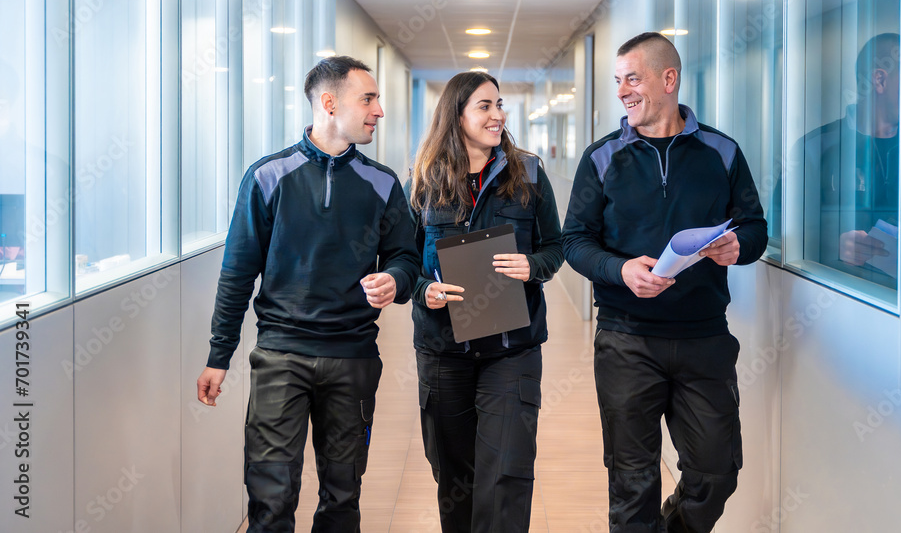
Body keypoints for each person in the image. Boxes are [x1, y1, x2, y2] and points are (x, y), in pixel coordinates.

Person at [195, 55, 420, 533]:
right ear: (329, 102)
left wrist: (395, 280)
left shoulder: (382, 183)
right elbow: (237, 272)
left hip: (353, 358)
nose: (379, 111)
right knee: (271, 497)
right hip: (281, 357)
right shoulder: (268, 176)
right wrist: (220, 355)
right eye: (369, 99)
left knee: (343, 497)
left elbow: (407, 257)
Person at [562, 32, 768, 533]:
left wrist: (740, 246)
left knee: (716, 472)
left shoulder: (721, 152)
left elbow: (755, 228)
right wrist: (621, 269)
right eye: (617, 81)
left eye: (633, 78)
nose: (622, 91)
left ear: (668, 79)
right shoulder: (602, 157)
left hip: (704, 340)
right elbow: (574, 241)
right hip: (626, 340)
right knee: (632, 482)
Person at [406, 71, 564, 532]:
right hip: (444, 350)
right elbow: (401, 259)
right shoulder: (422, 181)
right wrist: (423, 290)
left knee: (507, 473)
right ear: (456, 116)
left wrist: (532, 266)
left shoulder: (529, 172)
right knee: (455, 476)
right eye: (485, 106)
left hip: (511, 348)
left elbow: (556, 247)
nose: (498, 115)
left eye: (499, 105)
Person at [803, 32, 900, 286]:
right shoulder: (816, 147)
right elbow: (779, 231)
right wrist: (834, 245)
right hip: (845, 295)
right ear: (880, 80)